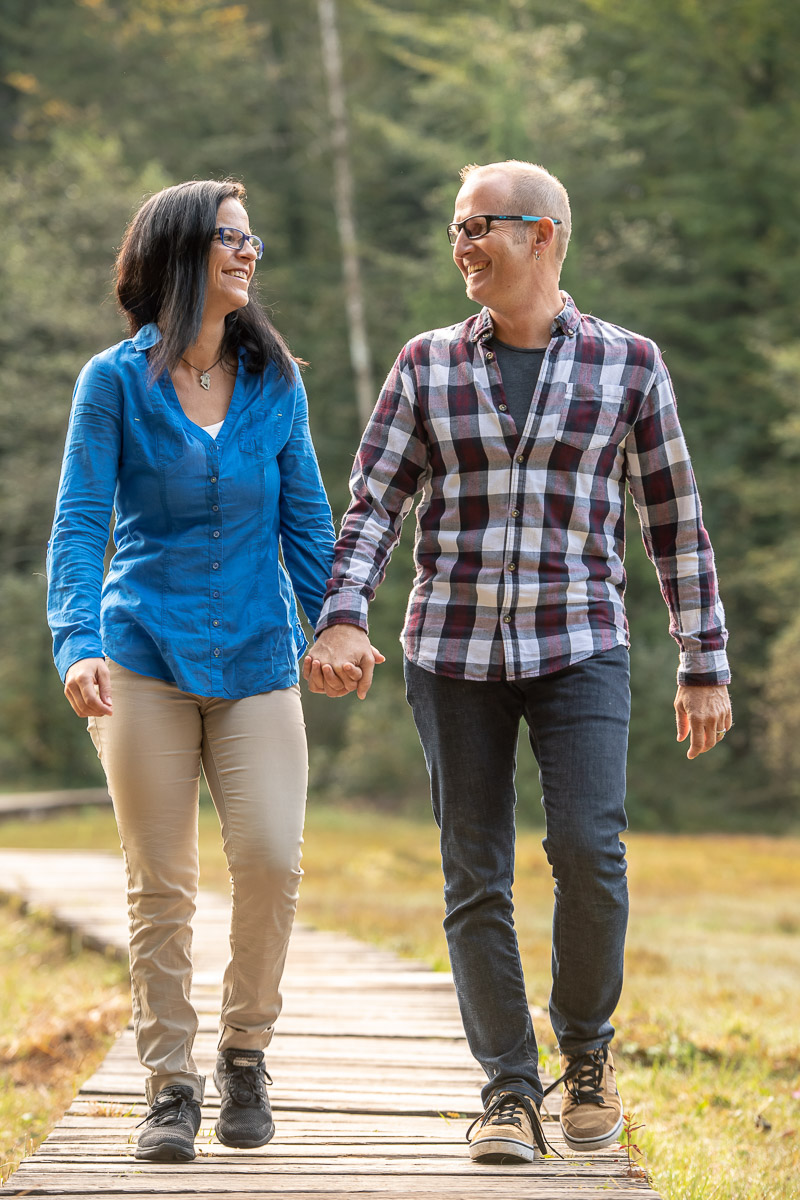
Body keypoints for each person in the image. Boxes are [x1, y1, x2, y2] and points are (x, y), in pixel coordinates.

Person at [304, 160, 732, 1164]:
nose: (461, 244)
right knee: (473, 873)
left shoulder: (628, 363)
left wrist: (702, 660)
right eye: (454, 228)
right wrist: (341, 613)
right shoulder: (423, 364)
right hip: (450, 649)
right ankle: (506, 1092)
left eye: (478, 226)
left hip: (577, 644)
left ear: (540, 233)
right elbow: (372, 504)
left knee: (588, 850)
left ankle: (582, 1055)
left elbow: (672, 522)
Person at [47, 179, 342, 1163]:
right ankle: (170, 1084)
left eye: (252, 239)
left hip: (257, 656)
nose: (247, 253)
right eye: (228, 238)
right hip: (143, 655)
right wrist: (76, 640)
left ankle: (245, 1054)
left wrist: (335, 622)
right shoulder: (114, 381)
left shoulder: (273, 382)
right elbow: (82, 521)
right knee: (159, 881)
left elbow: (305, 518)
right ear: (180, 254)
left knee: (268, 857)